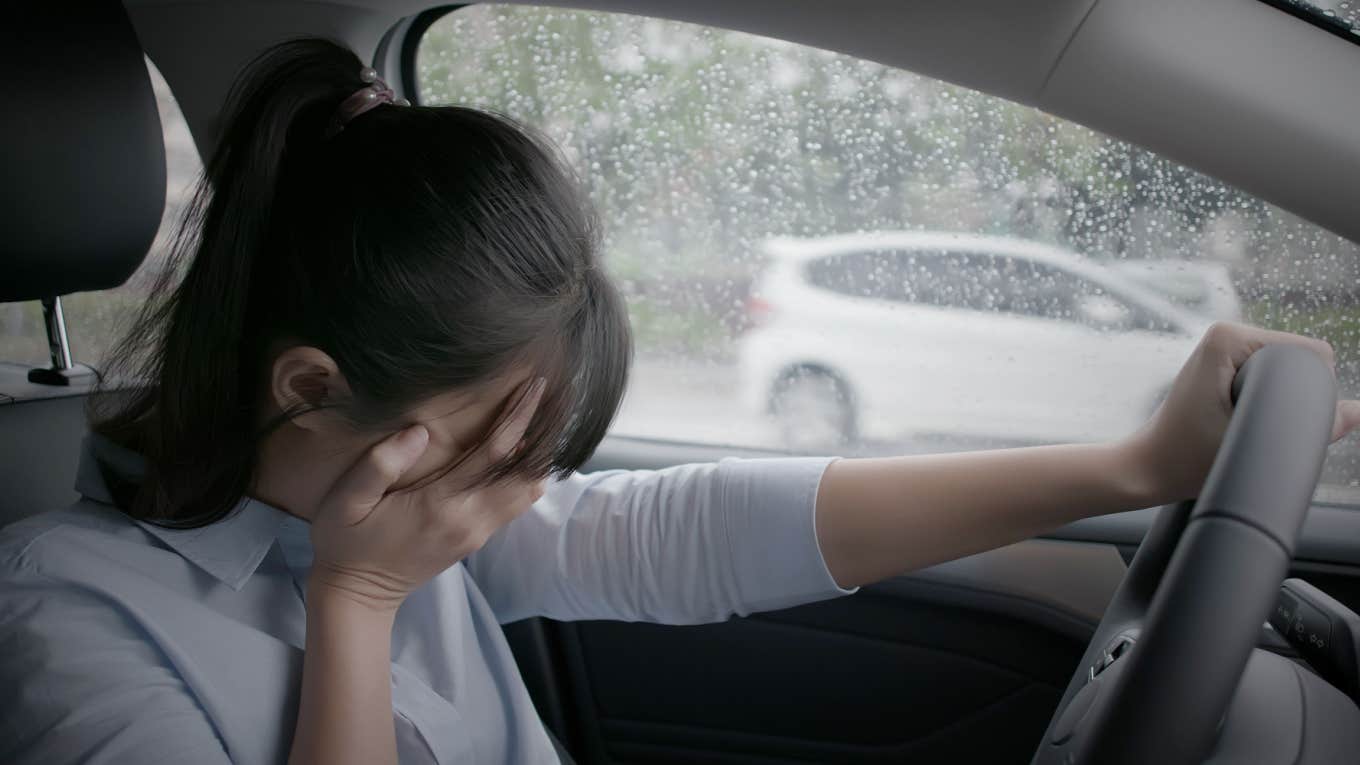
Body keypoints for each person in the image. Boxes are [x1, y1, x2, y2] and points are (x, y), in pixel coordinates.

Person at [0, 38, 1356, 765]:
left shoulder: (423, 516)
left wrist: (1128, 463)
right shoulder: (67, 617)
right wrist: (353, 613)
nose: (525, 494)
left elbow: (703, 529)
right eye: (499, 447)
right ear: (313, 388)